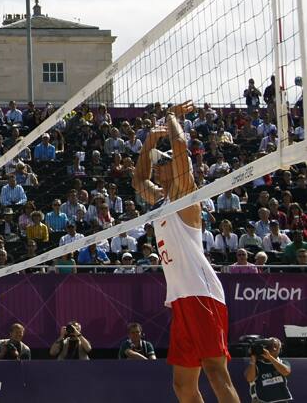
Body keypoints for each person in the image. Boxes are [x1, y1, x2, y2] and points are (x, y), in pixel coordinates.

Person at [133, 101, 240, 403]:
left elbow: (180, 144)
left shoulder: (185, 195)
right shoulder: (160, 200)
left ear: (171, 168)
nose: (157, 166)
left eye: (161, 162)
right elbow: (138, 179)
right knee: (182, 385)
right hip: (180, 298)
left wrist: (171, 117)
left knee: (215, 371)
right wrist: (150, 142)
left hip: (201, 293)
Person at [245, 337, 293, 402]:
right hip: (261, 400)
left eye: (276, 346)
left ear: (279, 350)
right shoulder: (256, 365)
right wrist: (253, 361)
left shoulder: (282, 362)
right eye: (271, 346)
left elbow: (286, 372)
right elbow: (250, 379)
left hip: (281, 400)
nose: (273, 348)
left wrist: (270, 357)